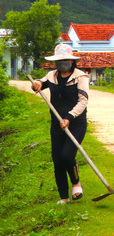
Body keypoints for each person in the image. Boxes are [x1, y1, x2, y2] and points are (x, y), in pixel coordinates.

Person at [31, 44, 90, 205]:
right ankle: (64, 197)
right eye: (59, 60)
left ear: (71, 60)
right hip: (56, 123)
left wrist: (69, 117)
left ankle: (76, 183)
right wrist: (36, 84)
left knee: (67, 155)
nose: (62, 62)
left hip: (76, 123)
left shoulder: (81, 77)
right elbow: (39, 83)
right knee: (57, 160)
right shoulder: (52, 76)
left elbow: (83, 101)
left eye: (65, 60)